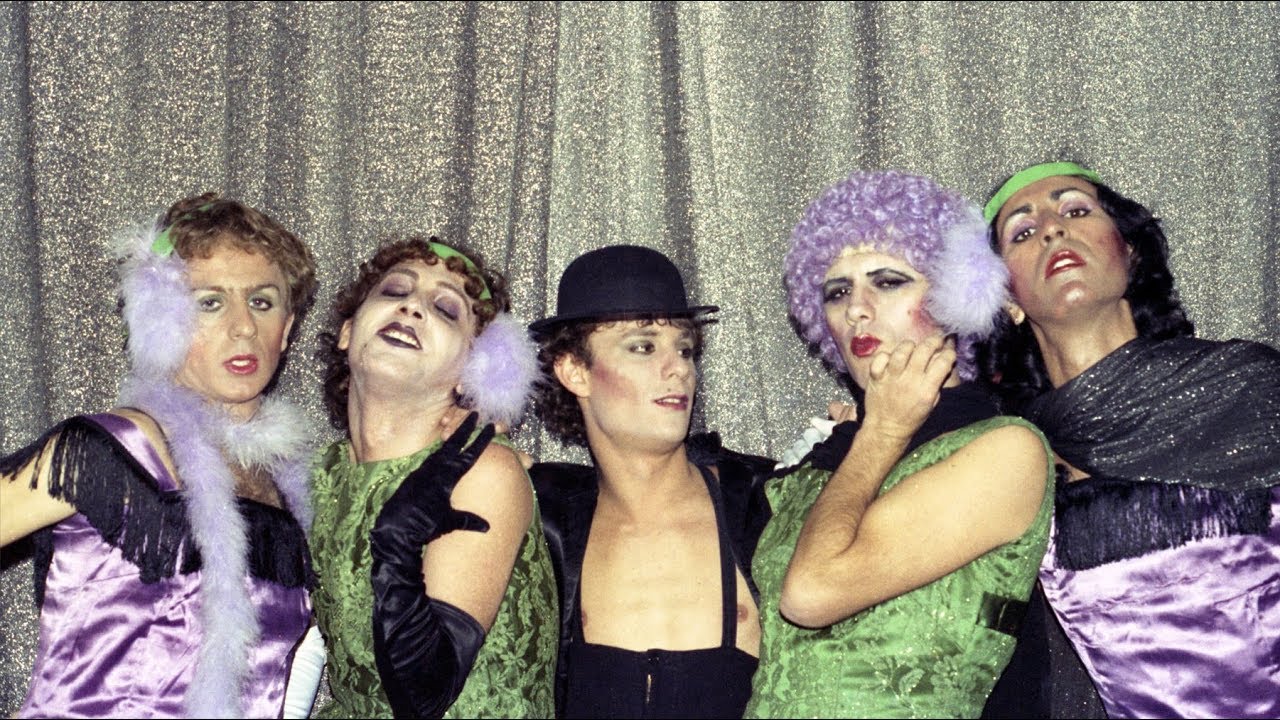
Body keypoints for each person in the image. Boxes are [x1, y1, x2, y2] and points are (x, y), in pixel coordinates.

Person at [746, 170, 1055, 718]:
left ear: (956, 298)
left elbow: (812, 593)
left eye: (887, 282)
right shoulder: (818, 465)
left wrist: (883, 432)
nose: (856, 309)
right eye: (837, 292)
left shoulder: (1006, 449)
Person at [979, 161, 1280, 719]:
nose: (1052, 229)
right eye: (1022, 231)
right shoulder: (1006, 451)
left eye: (1076, 210)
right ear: (1007, 299)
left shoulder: (1249, 386)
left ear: (1130, 252)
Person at [0, 193, 318, 717]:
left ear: (285, 331)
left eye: (262, 302)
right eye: (209, 302)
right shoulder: (114, 449)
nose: (243, 327)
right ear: (160, 321)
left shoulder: (293, 490)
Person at [308, 236, 557, 719]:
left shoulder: (479, 470)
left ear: (469, 370)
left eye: (445, 309)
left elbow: (423, 695)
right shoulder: (320, 476)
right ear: (347, 332)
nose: (412, 307)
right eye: (394, 291)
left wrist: (396, 545)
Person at [528, 245, 774, 719]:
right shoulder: (540, 519)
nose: (679, 367)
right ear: (574, 370)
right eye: (643, 346)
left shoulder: (762, 505)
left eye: (684, 348)